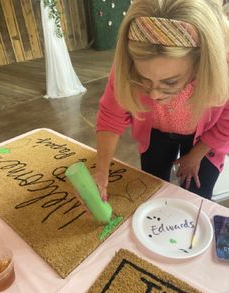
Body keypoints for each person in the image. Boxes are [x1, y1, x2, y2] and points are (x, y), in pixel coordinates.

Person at [94, 0, 229, 201]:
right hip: (155, 133)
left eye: (170, 82)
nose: (154, 96)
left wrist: (197, 153)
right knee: (151, 187)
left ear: (201, 63)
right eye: (143, 79)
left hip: (205, 137)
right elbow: (111, 114)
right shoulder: (127, 63)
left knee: (197, 195)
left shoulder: (223, 65)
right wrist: (102, 171)